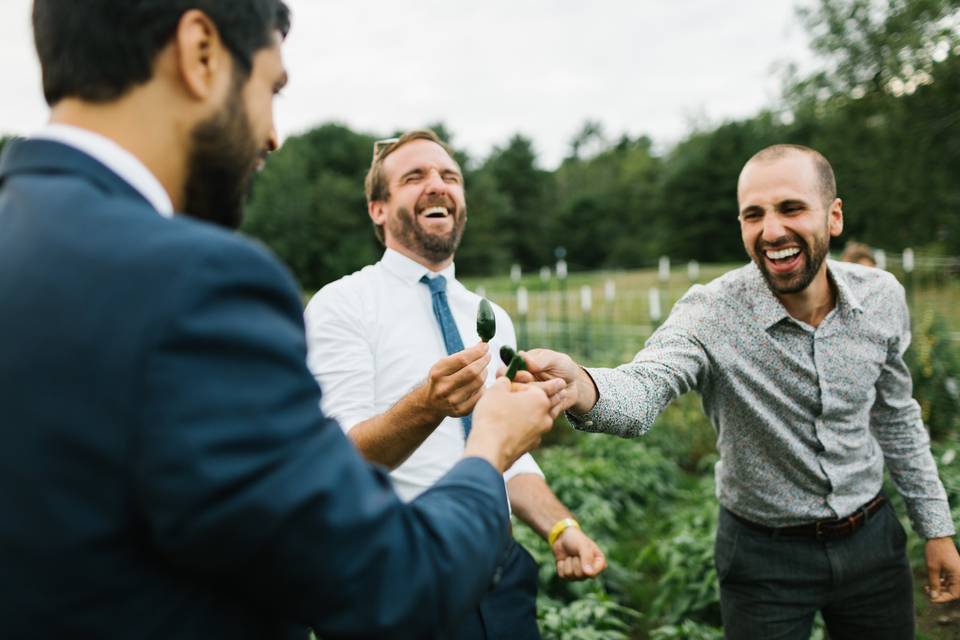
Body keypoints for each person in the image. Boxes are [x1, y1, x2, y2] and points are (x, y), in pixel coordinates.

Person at [0, 3, 566, 638]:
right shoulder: (199, 285)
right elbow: (386, 582)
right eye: (271, 87)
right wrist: (488, 441)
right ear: (201, 52)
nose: (271, 136)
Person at [520, 144, 960, 639]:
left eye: (791, 208)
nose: (771, 231)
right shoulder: (712, 312)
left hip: (872, 542)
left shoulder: (881, 298)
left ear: (833, 217)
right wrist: (583, 383)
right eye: (754, 215)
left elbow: (897, 417)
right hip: (764, 556)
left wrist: (937, 528)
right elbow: (646, 386)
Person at [304, 129, 606, 640]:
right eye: (414, 177)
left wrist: (559, 525)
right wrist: (426, 405)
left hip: (499, 574)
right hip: (399, 575)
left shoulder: (490, 318)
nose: (437, 185)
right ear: (379, 208)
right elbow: (340, 463)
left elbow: (503, 450)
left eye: (450, 176)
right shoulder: (342, 306)